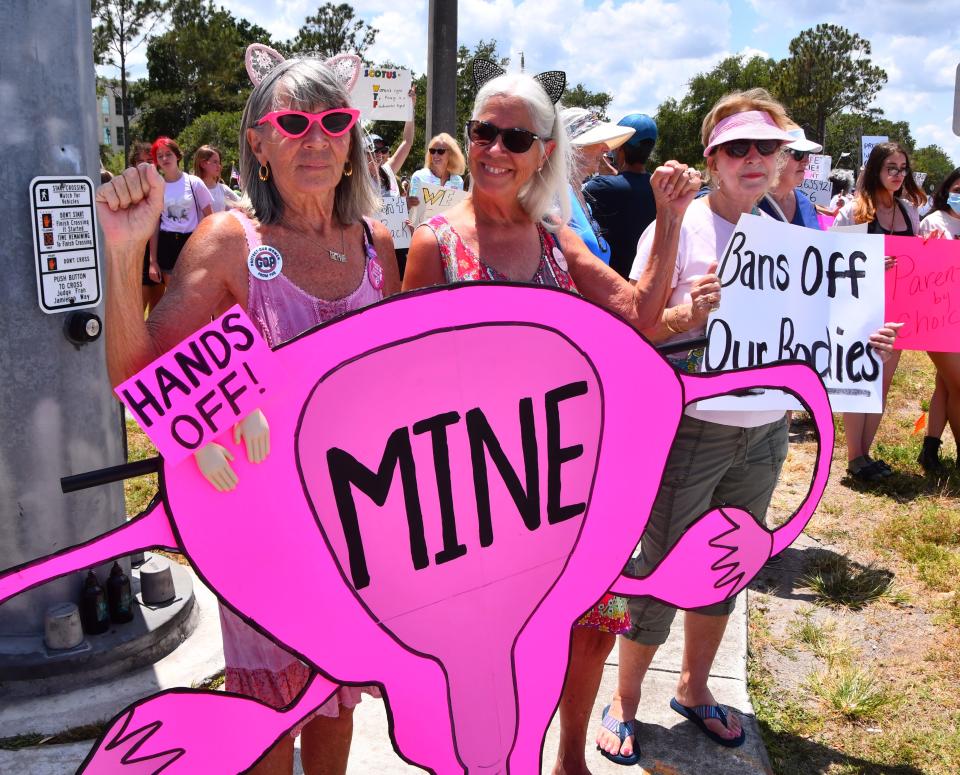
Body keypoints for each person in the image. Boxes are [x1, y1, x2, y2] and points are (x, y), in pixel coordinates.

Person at [96, 49, 400, 775]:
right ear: (257, 141)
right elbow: (139, 376)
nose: (316, 138)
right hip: (262, 532)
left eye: (334, 120)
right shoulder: (234, 242)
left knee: (341, 698)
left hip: (358, 525)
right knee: (268, 717)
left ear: (354, 134)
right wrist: (123, 254)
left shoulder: (376, 244)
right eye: (293, 122)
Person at [403, 65, 702, 775]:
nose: (495, 149)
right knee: (487, 652)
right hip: (472, 497)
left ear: (543, 151)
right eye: (483, 131)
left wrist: (671, 219)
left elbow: (640, 315)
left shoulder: (554, 241)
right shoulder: (434, 242)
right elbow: (404, 385)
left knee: (588, 628)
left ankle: (570, 757)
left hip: (566, 481)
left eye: (516, 136)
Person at [595, 89, 898, 764]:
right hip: (693, 428)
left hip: (765, 428)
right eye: (738, 147)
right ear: (713, 157)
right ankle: (624, 699)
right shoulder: (678, 227)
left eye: (768, 147)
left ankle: (696, 687)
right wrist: (685, 317)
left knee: (731, 561)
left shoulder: (795, 232)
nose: (755, 159)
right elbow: (639, 331)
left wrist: (859, 341)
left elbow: (818, 326)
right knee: (660, 565)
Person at [834, 142, 925, 481]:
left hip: (897, 307)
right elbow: (836, 261)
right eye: (892, 168)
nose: (899, 175)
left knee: (882, 385)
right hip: (860, 309)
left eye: (903, 168)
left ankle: (865, 454)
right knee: (860, 381)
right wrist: (871, 266)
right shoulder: (855, 211)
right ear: (876, 170)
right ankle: (855, 456)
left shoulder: (908, 211)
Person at [916, 167, 960, 474]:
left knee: (946, 384)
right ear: (947, 190)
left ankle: (930, 449)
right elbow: (920, 267)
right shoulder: (933, 222)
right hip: (939, 315)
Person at [583, 113, 659, 279]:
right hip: (647, 280)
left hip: (611, 284)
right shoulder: (659, 187)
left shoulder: (601, 187)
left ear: (620, 148)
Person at [561, 107, 635, 264]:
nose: (606, 148)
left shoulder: (579, 198)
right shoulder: (557, 198)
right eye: (596, 141)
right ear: (574, 148)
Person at [150, 137, 214, 286]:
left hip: (191, 242)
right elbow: (154, 226)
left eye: (168, 153)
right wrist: (152, 261)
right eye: (160, 156)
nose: (165, 158)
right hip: (167, 243)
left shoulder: (194, 183)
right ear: (156, 161)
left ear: (177, 156)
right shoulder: (156, 188)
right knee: (172, 294)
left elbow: (211, 219)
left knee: (196, 290)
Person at [126, 141, 164, 313]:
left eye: (151, 162)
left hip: (159, 252)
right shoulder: (127, 188)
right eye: (144, 162)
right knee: (136, 310)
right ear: (134, 163)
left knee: (157, 310)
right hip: (135, 255)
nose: (148, 166)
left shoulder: (161, 186)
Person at [758, 125, 821, 227]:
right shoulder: (750, 203)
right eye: (799, 153)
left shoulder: (806, 205)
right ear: (775, 156)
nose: (806, 161)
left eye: (807, 154)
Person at [367, 87, 416, 196]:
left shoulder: (387, 171)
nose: (379, 154)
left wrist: (410, 108)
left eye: (383, 150)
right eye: (374, 150)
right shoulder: (356, 177)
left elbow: (407, 142)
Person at [408, 132, 466, 201]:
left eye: (440, 151)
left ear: (450, 154)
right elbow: (413, 208)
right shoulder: (419, 177)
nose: (435, 155)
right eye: (432, 151)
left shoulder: (458, 181)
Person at [193, 144, 241, 212]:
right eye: (215, 162)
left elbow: (243, 204)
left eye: (219, 162)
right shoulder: (192, 189)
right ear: (203, 164)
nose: (219, 166)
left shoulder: (223, 189)